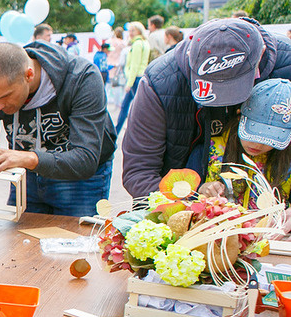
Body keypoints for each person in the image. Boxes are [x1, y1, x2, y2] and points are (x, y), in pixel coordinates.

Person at [121, 17, 291, 198]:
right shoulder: (160, 81)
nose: (226, 102)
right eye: (211, 88)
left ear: (261, 54)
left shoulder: (287, 65)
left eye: (236, 88)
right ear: (190, 58)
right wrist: (193, 198)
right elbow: (139, 173)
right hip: (181, 196)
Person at [0, 41, 116, 218]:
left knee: (76, 234)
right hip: (27, 174)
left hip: (79, 181)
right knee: (17, 234)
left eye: (4, 97)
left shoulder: (82, 78)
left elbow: (85, 159)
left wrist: (28, 158)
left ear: (29, 75)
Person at [200, 78, 291, 206]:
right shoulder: (210, 150)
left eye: (271, 139)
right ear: (239, 117)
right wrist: (202, 189)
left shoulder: (287, 159)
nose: (258, 145)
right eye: (253, 134)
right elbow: (184, 194)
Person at [115, 21, 151, 132]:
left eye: (133, 30)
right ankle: (117, 131)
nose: (130, 33)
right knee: (128, 106)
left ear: (139, 31)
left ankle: (119, 131)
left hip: (135, 78)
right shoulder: (144, 43)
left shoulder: (137, 44)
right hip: (139, 77)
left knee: (131, 107)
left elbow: (135, 65)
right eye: (129, 30)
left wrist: (129, 83)